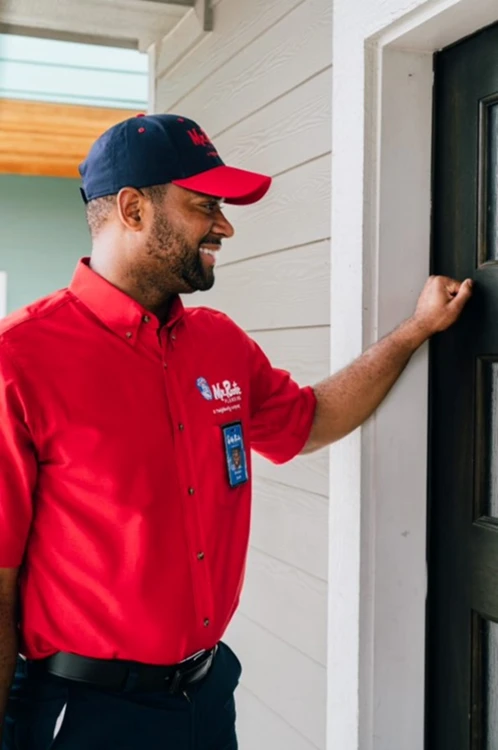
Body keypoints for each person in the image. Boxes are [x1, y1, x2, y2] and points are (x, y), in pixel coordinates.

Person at [0, 114, 472, 750]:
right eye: (205, 206)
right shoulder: (19, 361)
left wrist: (414, 332)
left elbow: (311, 420)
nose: (224, 225)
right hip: (82, 715)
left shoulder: (219, 342)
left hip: (207, 696)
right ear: (134, 210)